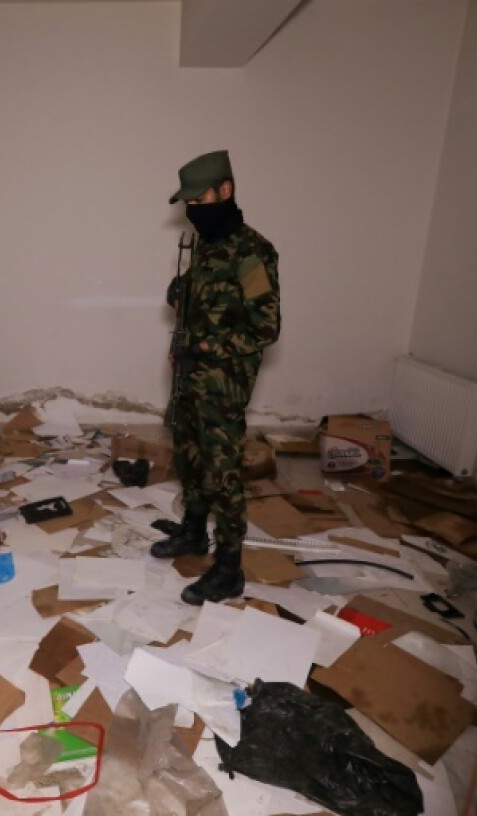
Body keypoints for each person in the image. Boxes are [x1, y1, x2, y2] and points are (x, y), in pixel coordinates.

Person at [151, 149, 281, 605]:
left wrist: (206, 348)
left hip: (222, 386)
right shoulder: (204, 244)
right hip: (190, 377)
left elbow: (265, 329)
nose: (193, 210)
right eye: (188, 203)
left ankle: (229, 570)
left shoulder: (252, 252)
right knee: (188, 457)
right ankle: (192, 534)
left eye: (200, 200)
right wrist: (181, 293)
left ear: (225, 190)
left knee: (222, 473)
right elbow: (204, 302)